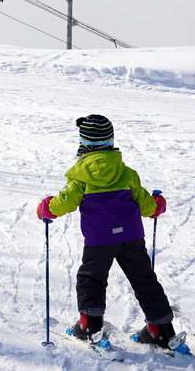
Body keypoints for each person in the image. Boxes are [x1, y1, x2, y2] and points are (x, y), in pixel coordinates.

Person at [35, 114, 178, 349]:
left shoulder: (81, 177)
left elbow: (65, 202)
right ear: (110, 141)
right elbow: (148, 206)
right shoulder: (127, 173)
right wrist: (157, 205)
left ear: (83, 143)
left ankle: (90, 327)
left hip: (99, 240)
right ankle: (161, 330)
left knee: (92, 279)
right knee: (145, 280)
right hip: (131, 238)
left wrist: (45, 209)